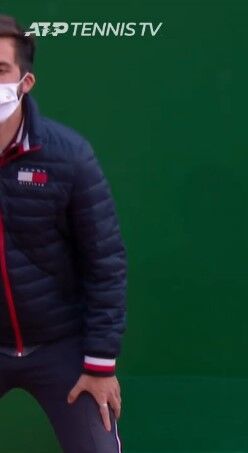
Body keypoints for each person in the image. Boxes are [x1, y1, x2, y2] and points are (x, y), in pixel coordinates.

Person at [0, 15, 126, 452]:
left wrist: (100, 365)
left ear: (25, 82)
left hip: (62, 346)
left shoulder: (68, 156)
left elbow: (105, 263)